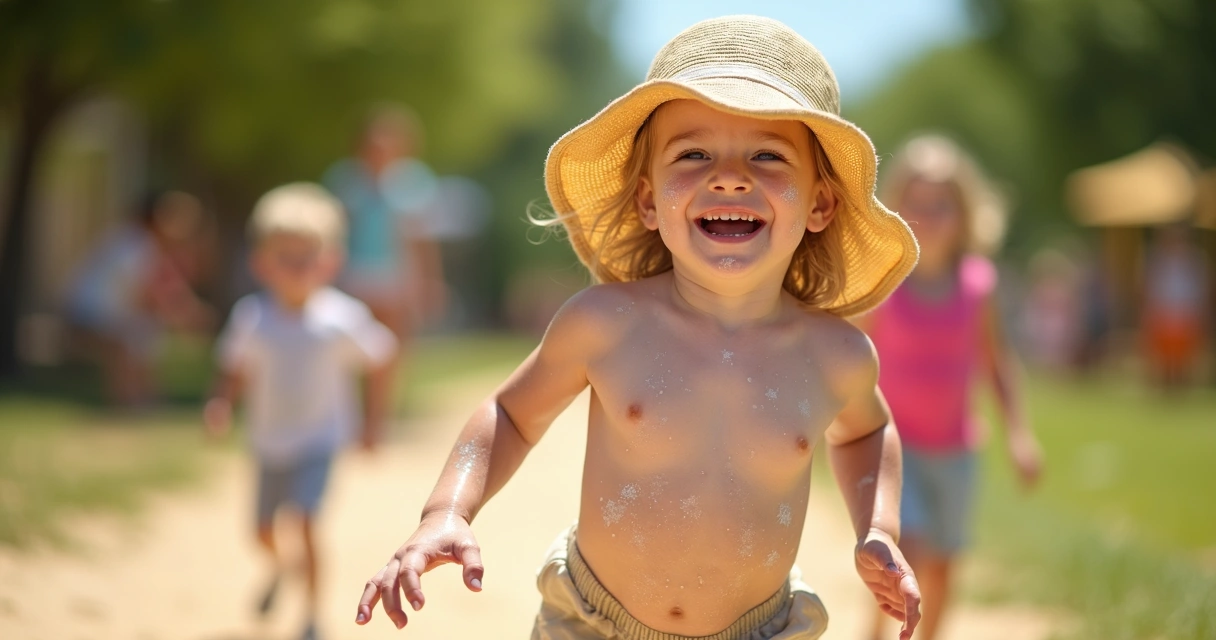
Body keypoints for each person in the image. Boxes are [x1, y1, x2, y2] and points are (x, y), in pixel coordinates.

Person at [356, 16, 923, 640]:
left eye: (767, 155)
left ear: (819, 203)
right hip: (593, 621)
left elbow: (866, 432)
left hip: (763, 628)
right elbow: (510, 414)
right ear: (649, 201)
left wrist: (879, 528)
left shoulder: (835, 355)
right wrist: (447, 511)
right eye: (694, 154)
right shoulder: (607, 325)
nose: (729, 176)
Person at [860, 135, 1043, 640]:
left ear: (964, 212)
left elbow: (997, 363)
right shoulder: (884, 284)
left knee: (943, 566)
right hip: (894, 449)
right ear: (895, 210)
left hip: (956, 451)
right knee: (907, 553)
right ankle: (875, 631)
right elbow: (851, 355)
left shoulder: (977, 284)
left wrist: (1020, 434)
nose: (929, 214)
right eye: (916, 203)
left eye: (942, 204)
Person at [205, 183, 398, 640]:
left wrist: (373, 423)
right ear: (261, 263)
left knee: (307, 521)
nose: (296, 268)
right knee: (262, 530)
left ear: (330, 262)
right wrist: (220, 403)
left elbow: (381, 362)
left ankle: (311, 616)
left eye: (306, 257)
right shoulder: (252, 317)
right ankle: (278, 567)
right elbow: (234, 366)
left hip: (319, 439)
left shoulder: (341, 318)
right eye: (284, 257)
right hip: (268, 440)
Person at [64, 190, 213, 408]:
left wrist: (184, 314)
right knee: (133, 337)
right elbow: (146, 297)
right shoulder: (135, 244)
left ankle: (144, 401)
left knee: (144, 332)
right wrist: (185, 319)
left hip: (102, 315)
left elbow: (163, 293)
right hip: (88, 315)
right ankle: (133, 402)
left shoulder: (142, 244)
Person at [323, 105, 448, 344]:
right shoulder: (345, 180)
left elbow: (423, 239)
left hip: (398, 271)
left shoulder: (414, 181)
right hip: (355, 270)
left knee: (396, 336)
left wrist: (429, 280)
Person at [1142, 224, 1209, 390]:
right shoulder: (1157, 261)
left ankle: (1181, 387)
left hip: (1185, 313)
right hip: (1163, 313)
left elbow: (1201, 290)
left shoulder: (1195, 261)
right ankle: (1166, 387)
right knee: (1163, 357)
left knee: (1183, 357)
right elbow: (1149, 290)